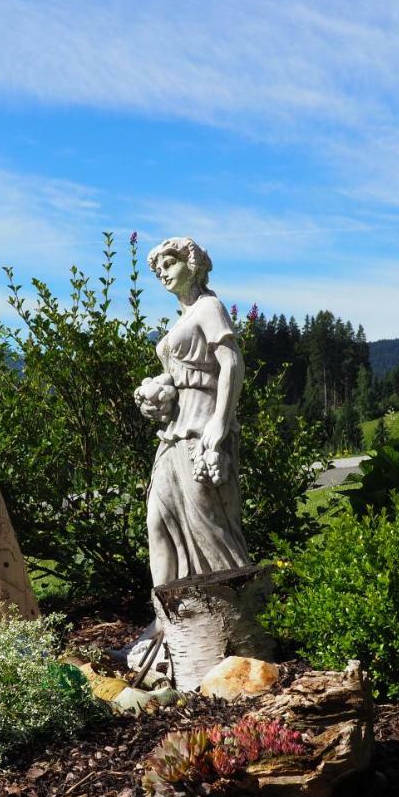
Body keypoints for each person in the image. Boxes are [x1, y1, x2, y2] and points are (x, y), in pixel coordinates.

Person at [138, 237, 252, 586]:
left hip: (202, 427)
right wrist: (158, 397)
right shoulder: (183, 317)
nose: (163, 274)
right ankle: (165, 619)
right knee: (158, 519)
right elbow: (180, 375)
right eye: (158, 271)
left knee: (209, 520)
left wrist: (220, 421)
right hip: (173, 429)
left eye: (169, 264)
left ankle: (232, 607)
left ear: (193, 264)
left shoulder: (208, 307)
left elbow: (231, 363)